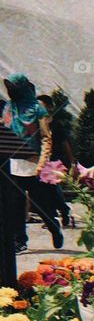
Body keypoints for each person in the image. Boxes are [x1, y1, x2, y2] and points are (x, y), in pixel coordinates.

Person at [1, 73, 62, 250]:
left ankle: (53, 226)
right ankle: (20, 241)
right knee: (16, 205)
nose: (11, 91)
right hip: (13, 163)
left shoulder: (37, 109)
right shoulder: (8, 108)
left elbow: (45, 137)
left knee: (40, 203)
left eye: (14, 87)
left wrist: (42, 163)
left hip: (34, 163)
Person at [37, 92, 75, 227]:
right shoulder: (36, 124)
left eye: (42, 106)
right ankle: (52, 217)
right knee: (44, 191)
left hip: (53, 161)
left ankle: (64, 211)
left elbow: (65, 143)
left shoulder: (56, 125)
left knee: (53, 189)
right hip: (39, 161)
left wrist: (72, 162)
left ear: (50, 107)